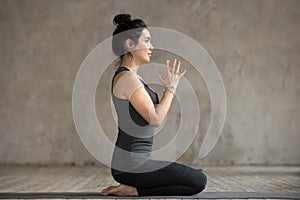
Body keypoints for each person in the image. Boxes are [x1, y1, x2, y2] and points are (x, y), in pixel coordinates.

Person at [100, 14, 207, 196]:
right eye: (147, 41)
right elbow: (155, 118)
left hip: (134, 163)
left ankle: (134, 189)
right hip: (132, 165)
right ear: (130, 44)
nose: (151, 47)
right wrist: (170, 89)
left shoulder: (133, 77)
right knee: (198, 181)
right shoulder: (128, 78)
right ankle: (134, 191)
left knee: (196, 177)